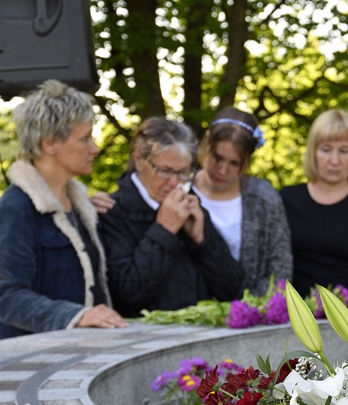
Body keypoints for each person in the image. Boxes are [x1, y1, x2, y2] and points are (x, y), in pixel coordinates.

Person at [0, 80, 127, 341]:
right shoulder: (14, 212)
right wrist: (77, 315)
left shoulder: (82, 209)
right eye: (85, 138)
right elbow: (6, 297)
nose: (95, 148)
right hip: (24, 367)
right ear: (50, 144)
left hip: (74, 358)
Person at [99, 117, 244, 317]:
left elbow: (232, 289)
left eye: (184, 172)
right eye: (165, 171)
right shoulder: (112, 213)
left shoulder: (192, 206)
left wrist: (203, 243)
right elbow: (127, 296)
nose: (175, 183)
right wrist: (164, 231)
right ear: (139, 159)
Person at [280, 109, 348, 297]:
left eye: (344, 151)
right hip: (296, 313)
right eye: (326, 149)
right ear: (313, 152)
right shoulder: (286, 200)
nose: (334, 160)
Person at [192, 107, 292, 296]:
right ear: (207, 143)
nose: (222, 170)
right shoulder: (181, 190)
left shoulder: (264, 198)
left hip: (251, 315)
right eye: (217, 158)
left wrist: (249, 309)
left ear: (247, 161)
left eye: (234, 163)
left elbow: (280, 273)